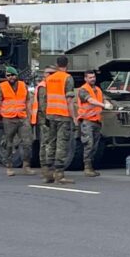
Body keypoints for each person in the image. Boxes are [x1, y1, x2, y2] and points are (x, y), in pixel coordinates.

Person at [0, 66, 34, 177]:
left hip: (22, 117)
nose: (11, 77)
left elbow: (27, 102)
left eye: (12, 75)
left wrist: (30, 117)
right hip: (8, 119)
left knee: (27, 142)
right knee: (8, 143)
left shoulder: (23, 85)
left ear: (16, 75)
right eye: (8, 75)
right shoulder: (1, 87)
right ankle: (9, 166)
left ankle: (26, 166)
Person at [42, 55, 77, 185]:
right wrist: (74, 117)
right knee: (62, 144)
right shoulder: (67, 78)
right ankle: (59, 175)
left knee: (51, 143)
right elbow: (69, 101)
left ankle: (48, 174)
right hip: (63, 115)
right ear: (67, 64)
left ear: (57, 64)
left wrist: (45, 114)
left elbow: (45, 99)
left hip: (50, 114)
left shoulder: (49, 79)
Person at [76, 70, 112, 177]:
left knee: (94, 146)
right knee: (88, 144)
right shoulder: (83, 90)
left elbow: (104, 99)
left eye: (94, 77)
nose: (93, 79)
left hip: (97, 121)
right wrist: (103, 105)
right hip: (87, 121)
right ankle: (87, 168)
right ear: (85, 79)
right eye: (90, 77)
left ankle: (90, 167)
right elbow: (90, 100)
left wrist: (107, 103)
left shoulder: (97, 90)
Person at [30, 66, 55, 181]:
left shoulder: (51, 85)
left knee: (49, 143)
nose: (51, 75)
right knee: (45, 144)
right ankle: (45, 169)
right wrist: (48, 118)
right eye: (48, 73)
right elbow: (43, 105)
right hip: (45, 119)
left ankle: (49, 169)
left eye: (52, 73)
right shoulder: (43, 86)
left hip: (49, 118)